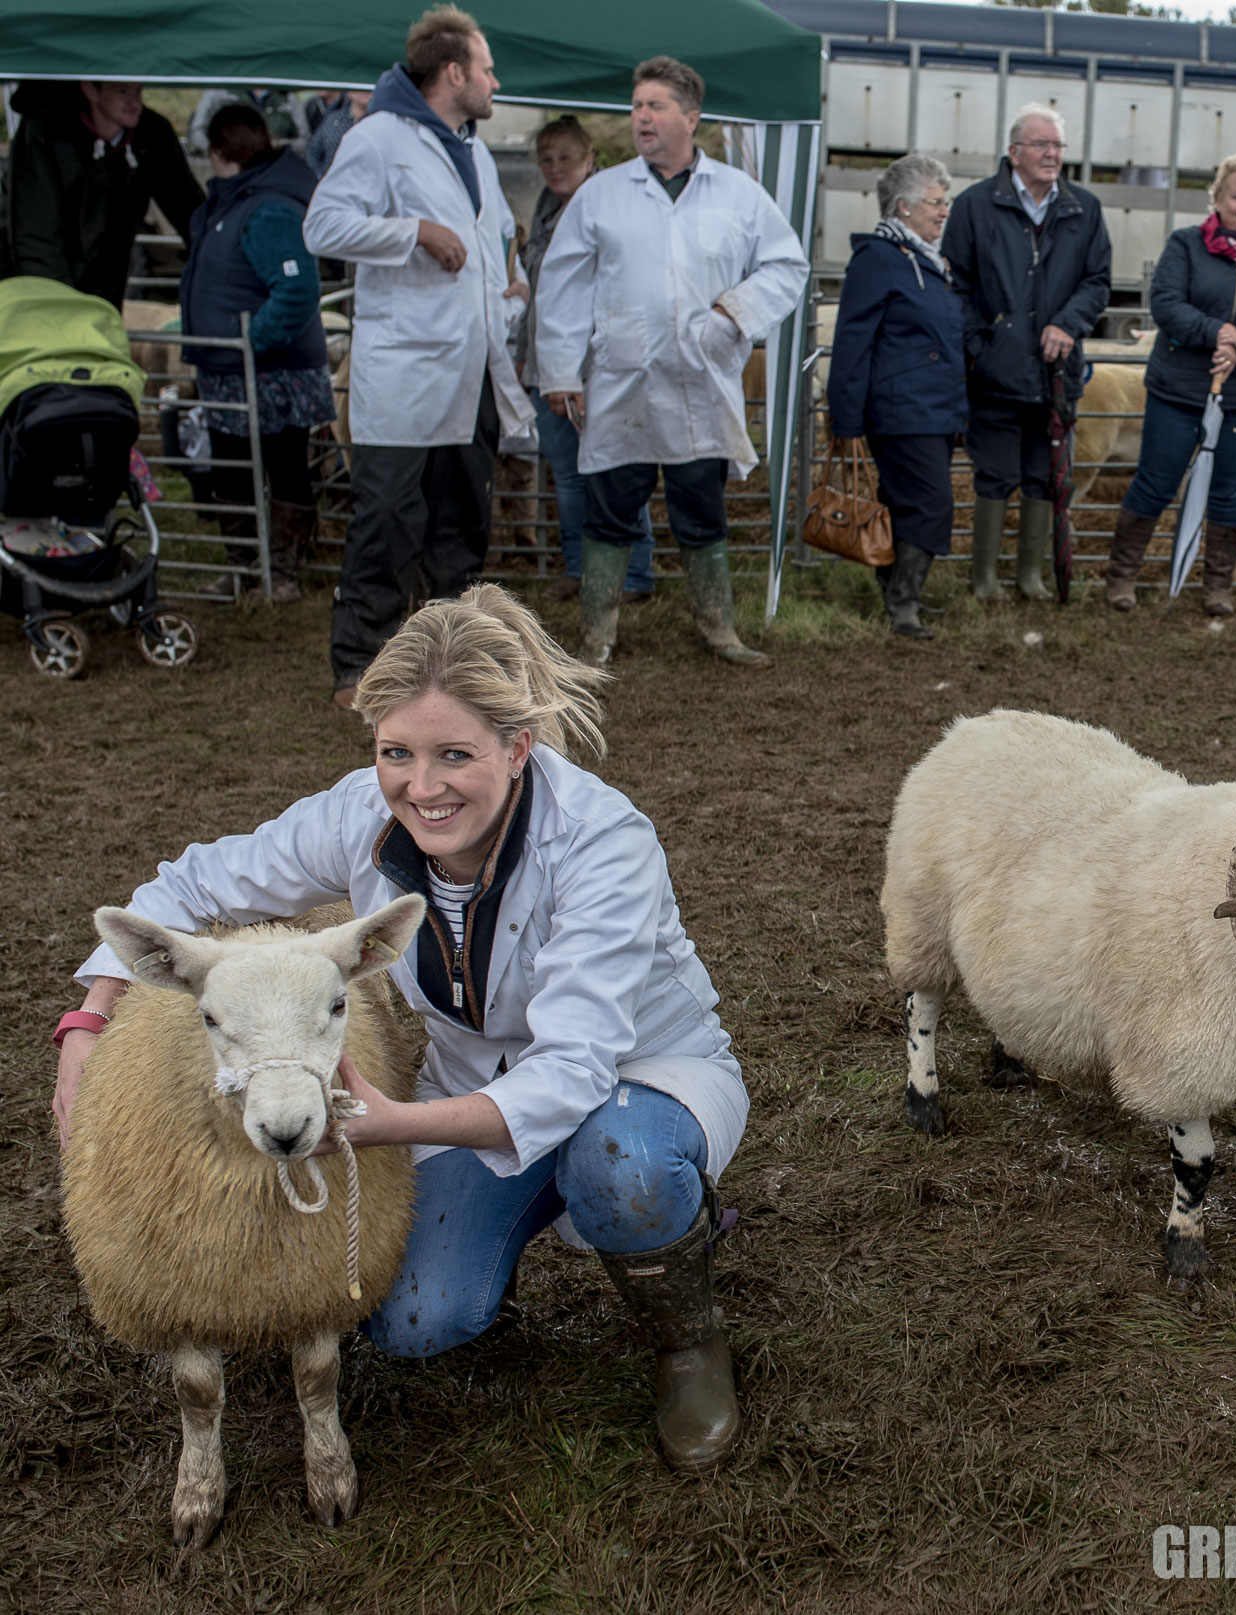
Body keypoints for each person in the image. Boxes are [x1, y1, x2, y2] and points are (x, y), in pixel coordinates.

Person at [52, 585, 752, 1472]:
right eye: (397, 752)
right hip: (470, 1088)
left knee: (621, 1163)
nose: (422, 787)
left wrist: (392, 1125)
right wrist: (88, 1023)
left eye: (455, 753)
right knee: (410, 1316)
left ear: (518, 746)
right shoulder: (360, 813)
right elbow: (186, 888)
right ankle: (546, 1213)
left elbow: (573, 1070)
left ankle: (687, 1341)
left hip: (642, 1077)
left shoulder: (602, 844)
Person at [535, 56, 807, 668]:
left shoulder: (737, 195)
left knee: (701, 510)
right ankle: (596, 636)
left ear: (691, 117)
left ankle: (719, 630)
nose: (642, 118)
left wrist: (733, 312)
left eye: (655, 106)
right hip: (622, 382)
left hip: (701, 382)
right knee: (608, 509)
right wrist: (558, 371)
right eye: (636, 107)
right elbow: (563, 286)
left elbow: (786, 265)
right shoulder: (602, 195)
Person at [304, 5, 535, 709]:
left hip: (473, 369)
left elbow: (492, 235)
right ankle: (358, 664)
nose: (497, 81)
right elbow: (323, 224)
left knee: (463, 523)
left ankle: (455, 661)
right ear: (454, 72)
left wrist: (510, 275)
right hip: (405, 372)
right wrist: (415, 232)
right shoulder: (379, 138)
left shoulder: (476, 151)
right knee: (388, 521)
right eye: (488, 69)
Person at [1104, 155, 1236, 617]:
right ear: (1217, 198)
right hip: (1179, 389)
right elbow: (1167, 304)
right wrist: (1217, 333)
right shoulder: (1186, 246)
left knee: (1232, 489)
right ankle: (1122, 577)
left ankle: (1217, 586)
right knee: (1157, 479)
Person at [941, 105, 1112, 602]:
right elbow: (957, 284)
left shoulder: (1084, 208)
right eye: (1041, 145)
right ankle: (985, 580)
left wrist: (1068, 323)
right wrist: (982, 345)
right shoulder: (975, 206)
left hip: (1055, 370)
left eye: (1058, 146)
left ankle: (1031, 577)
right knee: (994, 473)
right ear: (1014, 152)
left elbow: (1097, 281)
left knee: (1044, 473)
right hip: (995, 369)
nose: (1052, 154)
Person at [178, 105, 337, 605]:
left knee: (285, 463)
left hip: (272, 371)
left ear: (218, 151)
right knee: (231, 467)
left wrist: (250, 341)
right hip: (229, 369)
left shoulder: (267, 208)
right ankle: (244, 566)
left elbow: (294, 289)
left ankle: (283, 571)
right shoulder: (234, 202)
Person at [514, 116, 657, 608]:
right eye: (546, 159)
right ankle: (580, 568)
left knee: (614, 470)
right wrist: (525, 354)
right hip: (546, 368)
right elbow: (541, 297)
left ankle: (634, 572)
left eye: (565, 158)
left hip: (596, 368)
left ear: (590, 157)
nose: (555, 168)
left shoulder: (607, 210)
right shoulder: (546, 209)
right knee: (569, 478)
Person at [827, 153, 966, 640]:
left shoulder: (927, 260)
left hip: (934, 407)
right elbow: (852, 339)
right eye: (936, 201)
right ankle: (904, 604)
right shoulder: (880, 258)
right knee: (931, 504)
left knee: (905, 502)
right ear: (904, 207)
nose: (944, 210)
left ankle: (896, 595)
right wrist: (844, 416)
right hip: (901, 409)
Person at [1, 80, 204, 307]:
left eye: (139, 91)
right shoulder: (45, 133)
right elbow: (37, 239)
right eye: (122, 91)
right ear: (90, 90)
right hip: (46, 293)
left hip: (108, 283)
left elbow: (189, 208)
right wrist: (61, 310)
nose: (134, 103)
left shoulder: (150, 135)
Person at [304, 89, 373, 179]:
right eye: (359, 87)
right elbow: (313, 151)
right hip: (331, 182)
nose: (364, 91)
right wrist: (321, 177)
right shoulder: (333, 119)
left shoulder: (381, 121)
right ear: (349, 92)